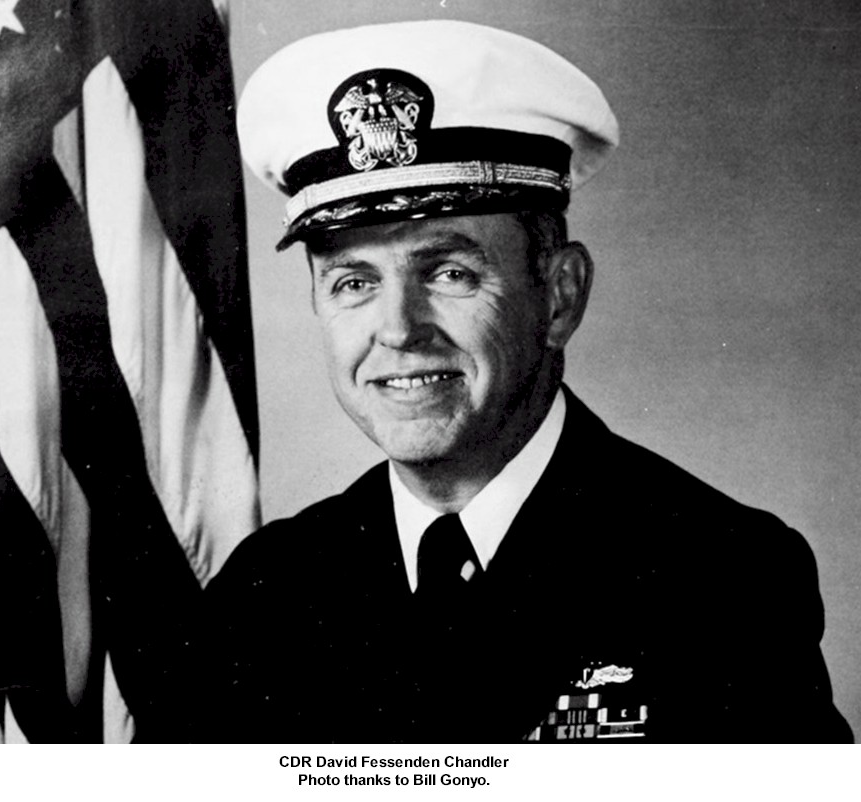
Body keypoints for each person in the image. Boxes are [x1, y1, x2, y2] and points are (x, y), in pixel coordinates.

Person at [201, 19, 851, 743]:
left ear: (560, 296)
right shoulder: (265, 592)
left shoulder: (720, 577)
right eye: (354, 282)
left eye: (449, 272)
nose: (398, 330)